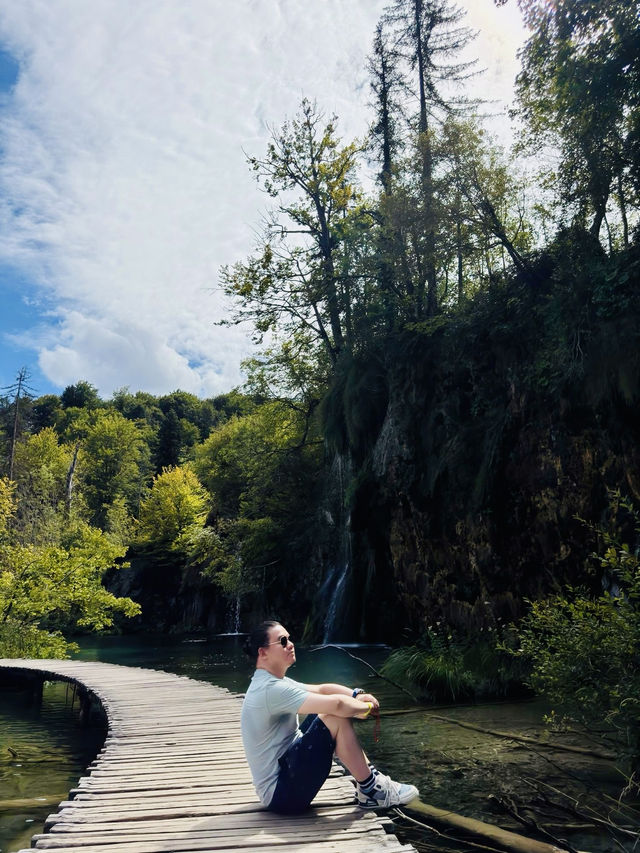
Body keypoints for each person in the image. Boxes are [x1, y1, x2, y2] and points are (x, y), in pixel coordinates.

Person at [240, 620, 419, 814]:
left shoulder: (270, 682)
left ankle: (371, 782)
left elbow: (322, 689)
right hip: (282, 795)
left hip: (285, 780)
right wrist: (365, 708)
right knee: (335, 717)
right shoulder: (270, 689)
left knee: (325, 712)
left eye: (289, 639)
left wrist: (356, 694)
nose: (290, 644)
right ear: (263, 652)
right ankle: (373, 790)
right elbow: (337, 705)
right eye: (282, 641)